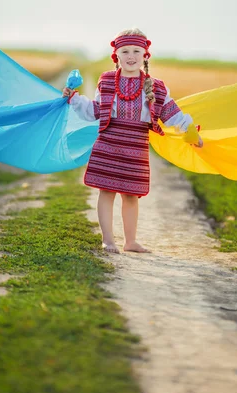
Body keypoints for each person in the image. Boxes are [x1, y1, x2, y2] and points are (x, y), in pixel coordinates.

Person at [62, 28, 203, 254]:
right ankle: (108, 240)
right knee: (106, 191)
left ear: (145, 55)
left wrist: (190, 131)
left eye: (136, 51)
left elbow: (171, 112)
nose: (130, 56)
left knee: (131, 194)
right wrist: (75, 99)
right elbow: (95, 111)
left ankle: (131, 241)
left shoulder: (155, 87)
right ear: (116, 56)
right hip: (109, 140)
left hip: (136, 144)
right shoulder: (107, 81)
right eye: (125, 51)